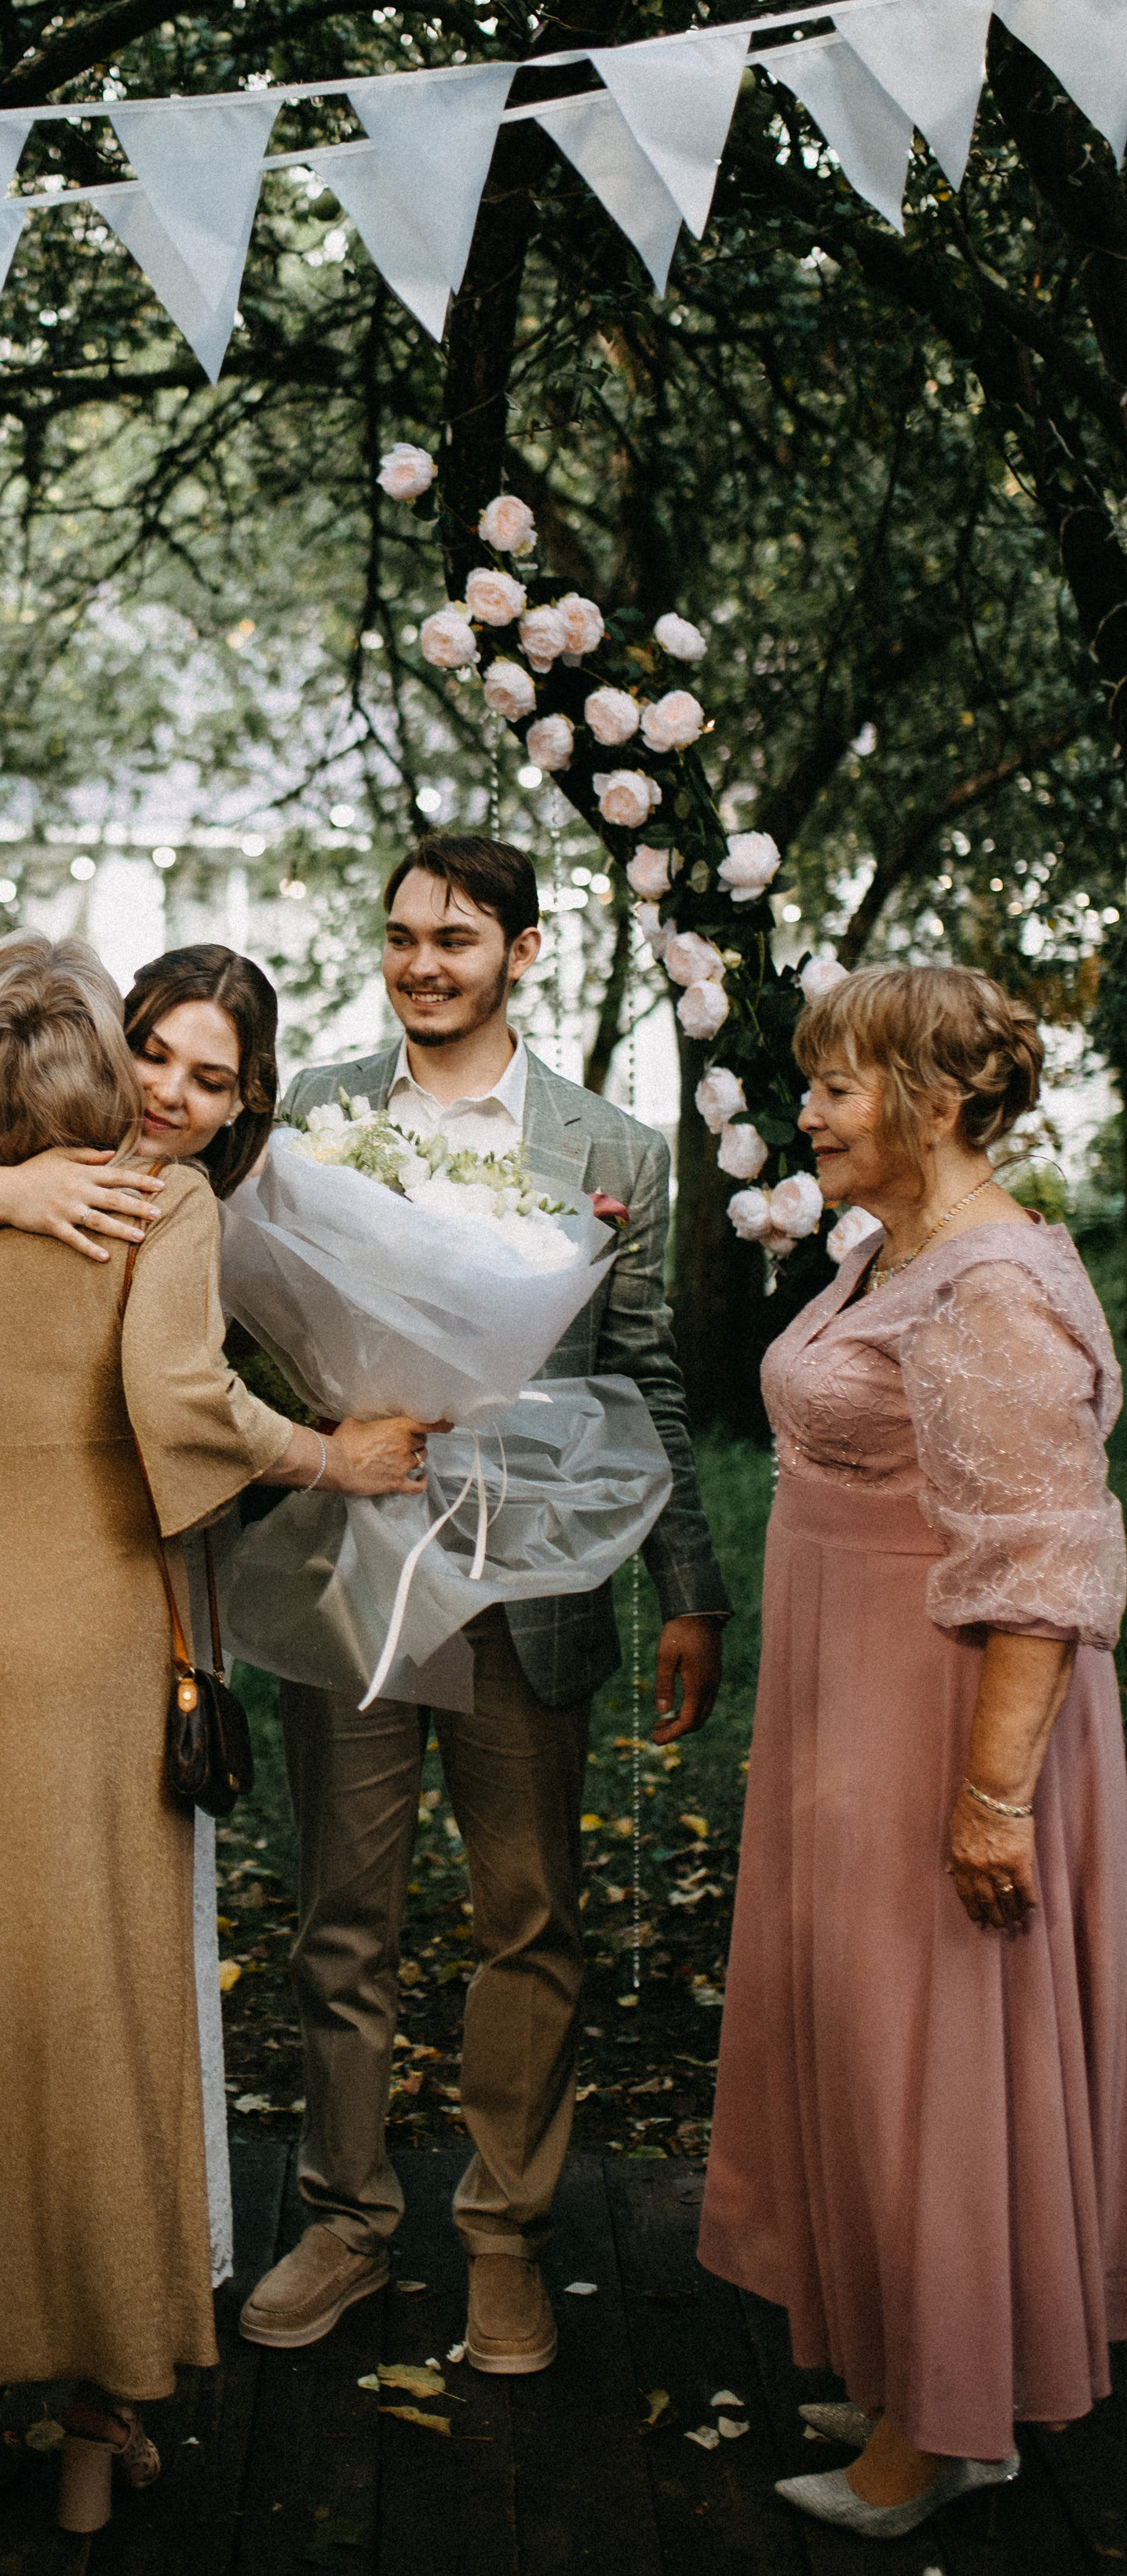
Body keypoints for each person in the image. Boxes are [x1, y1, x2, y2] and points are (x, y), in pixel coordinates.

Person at [0, 932, 432, 2541]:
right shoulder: (155, 1205)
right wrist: (331, 1452)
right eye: (155, 1056)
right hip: (88, 1617)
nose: (176, 1098)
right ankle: (102, 2414)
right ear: (108, 1049)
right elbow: (177, 1402)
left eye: (210, 1078)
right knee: (103, 1989)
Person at [242, 832, 729, 2369]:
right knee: (342, 1917)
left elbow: (643, 1372)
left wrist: (688, 1589)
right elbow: (251, 1328)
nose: (418, 963)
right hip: (359, 1569)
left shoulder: (615, 1154)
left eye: (452, 938)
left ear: (520, 950)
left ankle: (503, 2233)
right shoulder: (309, 1116)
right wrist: (323, 1437)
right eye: (398, 936)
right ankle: (344, 2219)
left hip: (537, 1581)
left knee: (528, 1918)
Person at [698, 964, 1127, 2542]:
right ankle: (911, 2361)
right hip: (848, 1702)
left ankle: (942, 2427)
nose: (802, 1111)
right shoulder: (898, 1249)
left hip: (937, 1718)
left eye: (832, 1085)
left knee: (929, 2051)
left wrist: (990, 1796)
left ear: (932, 1102)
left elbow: (1043, 1566)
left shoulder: (987, 1286)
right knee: (868, 2043)